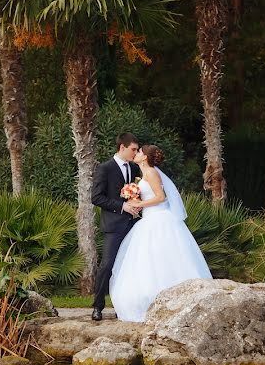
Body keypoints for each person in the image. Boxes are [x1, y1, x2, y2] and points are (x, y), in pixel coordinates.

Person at [109, 145, 212, 322]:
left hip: (160, 220)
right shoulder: (144, 174)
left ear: (145, 157)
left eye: (139, 151)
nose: (137, 153)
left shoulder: (151, 173)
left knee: (162, 258)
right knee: (147, 260)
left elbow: (160, 197)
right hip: (149, 220)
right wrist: (134, 198)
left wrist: (139, 205)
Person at [90, 133, 142, 321]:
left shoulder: (135, 168)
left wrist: (136, 205)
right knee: (107, 265)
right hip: (113, 225)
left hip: (133, 224)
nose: (135, 153)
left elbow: (138, 192)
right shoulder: (105, 168)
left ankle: (128, 307)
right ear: (122, 148)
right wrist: (122, 206)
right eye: (133, 149)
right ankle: (98, 306)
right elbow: (96, 197)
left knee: (133, 265)